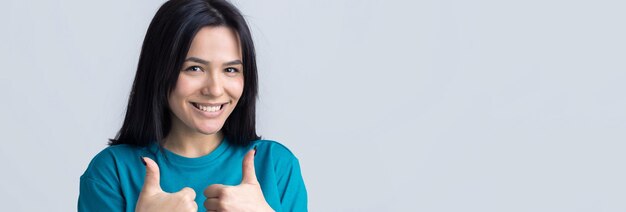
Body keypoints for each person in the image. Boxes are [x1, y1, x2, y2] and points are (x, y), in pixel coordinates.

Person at [77, 0, 308, 211]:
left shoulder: (276, 165)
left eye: (231, 70)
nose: (215, 89)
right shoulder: (111, 172)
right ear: (159, 71)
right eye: (194, 68)